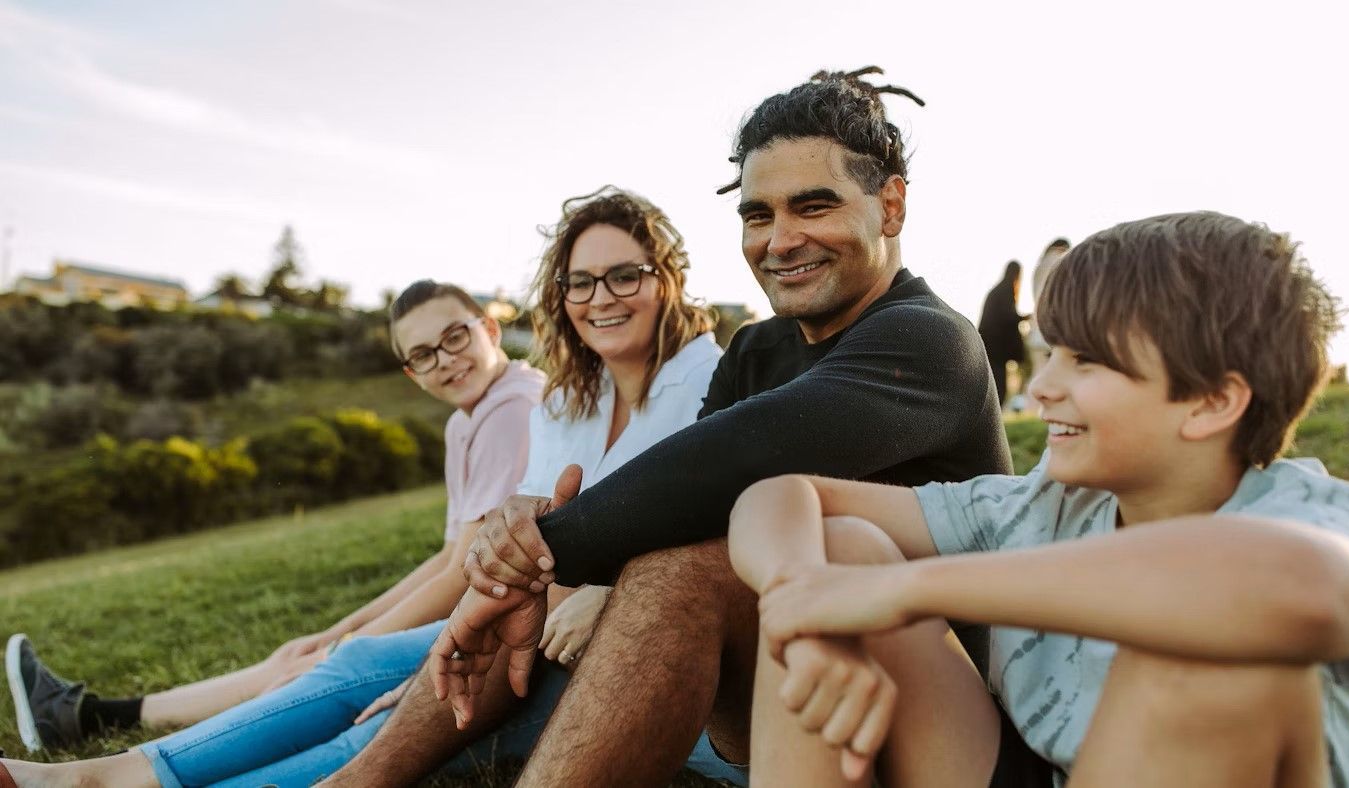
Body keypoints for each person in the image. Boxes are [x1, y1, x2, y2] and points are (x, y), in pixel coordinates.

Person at [326, 66, 1020, 788]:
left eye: (813, 207)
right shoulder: (758, 348)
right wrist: (529, 561)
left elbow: (730, 460)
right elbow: (681, 495)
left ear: (891, 206)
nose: (780, 241)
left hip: (948, 726)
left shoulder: (930, 341)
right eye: (758, 216)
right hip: (798, 696)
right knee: (648, 556)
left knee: (680, 566)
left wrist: (535, 549)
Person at [1, 189, 733, 787]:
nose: (600, 296)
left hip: (641, 660)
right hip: (528, 633)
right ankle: (100, 774)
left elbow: (712, 543)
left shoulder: (714, 382)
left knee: (397, 706)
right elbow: (504, 557)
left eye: (625, 274)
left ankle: (99, 773)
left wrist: (431, 658)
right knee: (364, 669)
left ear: (665, 277)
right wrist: (383, 642)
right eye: (580, 280)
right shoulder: (570, 403)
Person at [728, 211, 1349, 787]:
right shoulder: (1045, 504)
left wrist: (907, 590)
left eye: (1086, 361)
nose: (1043, 386)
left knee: (1205, 653)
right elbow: (782, 495)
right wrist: (804, 597)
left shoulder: (1314, 517)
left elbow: (1320, 590)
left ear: (1212, 401)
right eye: (1050, 352)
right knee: (842, 550)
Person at [5, 280, 541, 753]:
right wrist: (339, 629)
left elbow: (458, 579)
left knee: (306, 670)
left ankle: (101, 727)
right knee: (298, 656)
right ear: (410, 372)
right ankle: (89, 715)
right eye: (424, 354)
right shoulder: (469, 420)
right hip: (483, 607)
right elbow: (450, 556)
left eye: (455, 337)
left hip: (509, 630)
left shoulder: (509, 410)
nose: (445, 359)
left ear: (490, 329)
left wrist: (344, 648)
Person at [976, 260, 1026, 406]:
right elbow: (1008, 317)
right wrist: (1024, 318)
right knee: (998, 384)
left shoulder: (998, 290)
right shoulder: (1005, 291)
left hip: (990, 345)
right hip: (995, 348)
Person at [1024, 237, 1070, 375]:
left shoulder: (1040, 265)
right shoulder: (1059, 260)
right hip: (1049, 330)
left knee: (1037, 373)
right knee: (1046, 375)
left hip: (1036, 329)